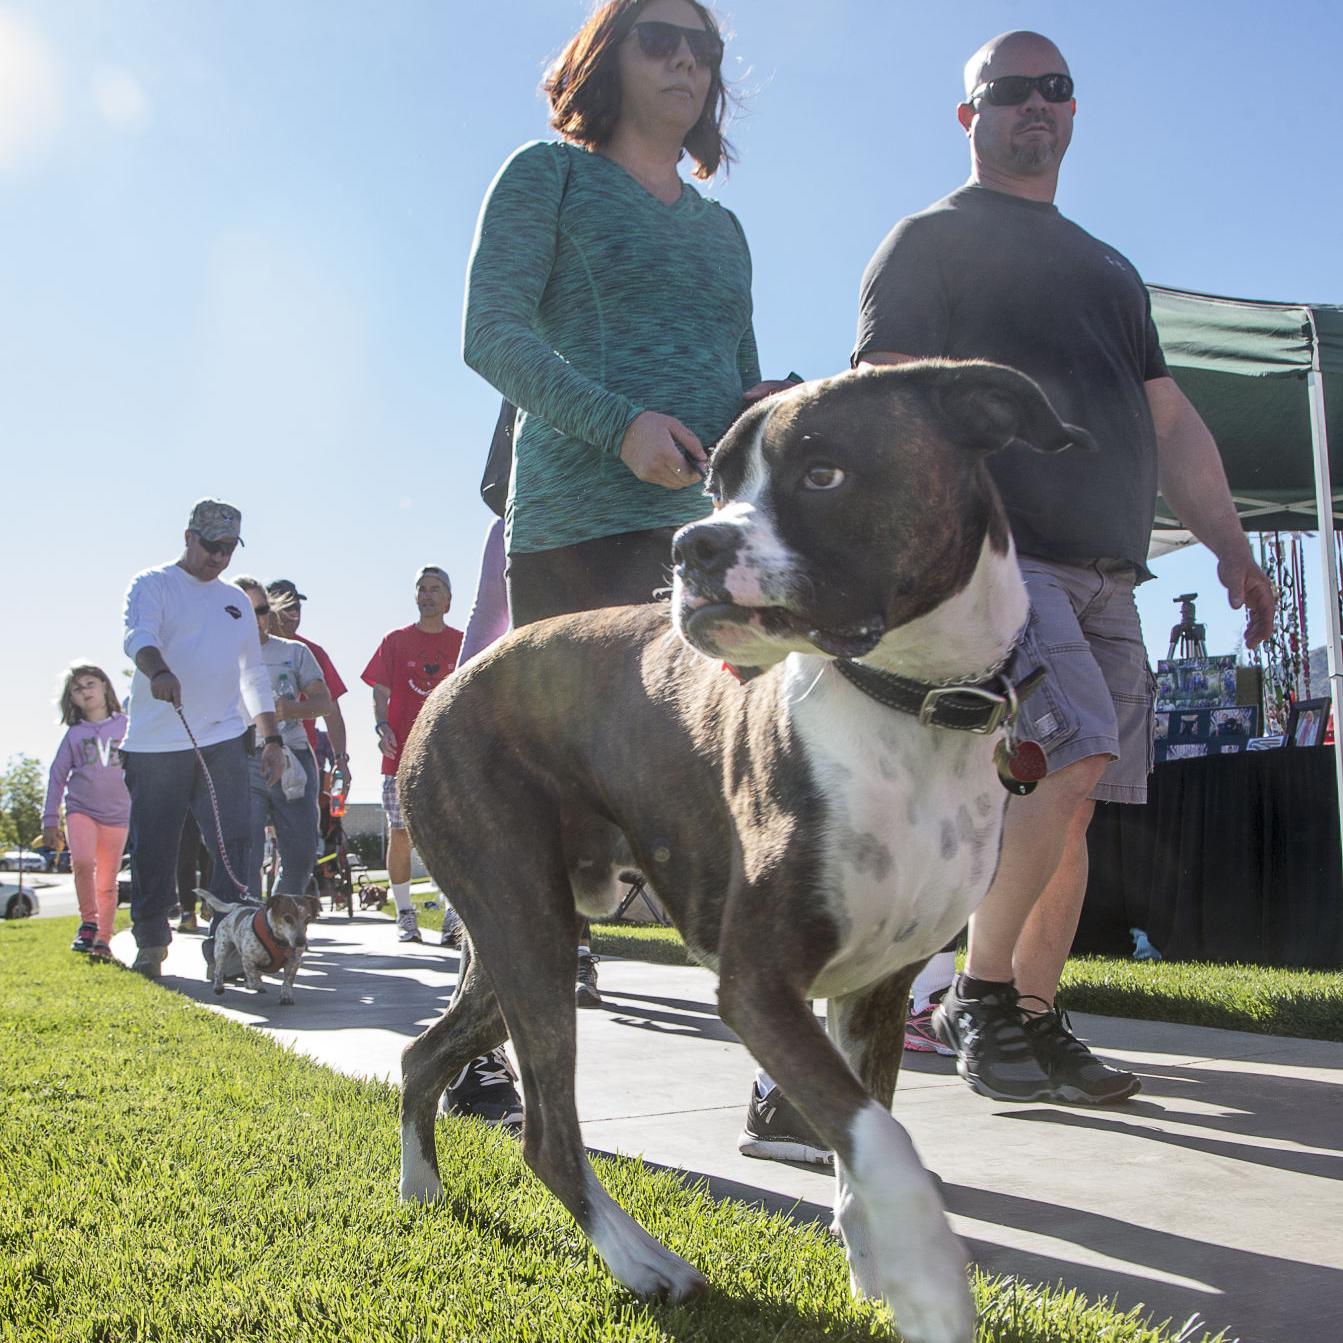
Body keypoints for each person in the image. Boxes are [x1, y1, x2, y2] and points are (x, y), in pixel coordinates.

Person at [849, 31, 1274, 1108]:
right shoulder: (926, 241)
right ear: (969, 118)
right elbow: (886, 401)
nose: (1034, 106)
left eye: (1055, 91)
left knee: (1072, 801)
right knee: (1068, 753)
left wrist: (1230, 548)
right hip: (1000, 561)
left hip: (1107, 574)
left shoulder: (1104, 268)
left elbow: (1168, 420)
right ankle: (976, 1002)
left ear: (1073, 113)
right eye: (1009, 92)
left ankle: (1032, 1023)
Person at [464, 0, 791, 1053]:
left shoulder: (727, 228)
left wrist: (764, 403)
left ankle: (779, 1074)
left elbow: (730, 376)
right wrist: (617, 428)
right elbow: (491, 335)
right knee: (552, 830)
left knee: (737, 800)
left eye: (705, 48)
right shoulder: (545, 176)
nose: (688, 61)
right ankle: (479, 1050)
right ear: (605, 58)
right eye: (661, 39)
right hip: (576, 531)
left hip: (701, 546)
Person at [119, 500, 284, 978]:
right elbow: (137, 636)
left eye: (229, 548)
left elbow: (252, 673)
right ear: (189, 537)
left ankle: (227, 944)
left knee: (235, 840)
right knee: (155, 845)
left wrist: (270, 739)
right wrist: (159, 671)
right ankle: (151, 944)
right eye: (211, 546)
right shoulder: (153, 584)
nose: (219, 557)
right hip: (155, 744)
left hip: (223, 739)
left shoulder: (233, 599)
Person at [361, 566, 463, 944]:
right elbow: (380, 691)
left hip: (448, 758)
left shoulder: (463, 642)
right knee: (401, 832)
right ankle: (406, 915)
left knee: (452, 834)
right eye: (422, 588)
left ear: (448, 600)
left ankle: (453, 915)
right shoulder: (395, 641)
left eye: (435, 589)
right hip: (400, 755)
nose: (427, 595)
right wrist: (381, 726)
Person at [234, 577, 330, 900]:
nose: (254, 619)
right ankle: (248, 924)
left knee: (302, 855)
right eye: (243, 611)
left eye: (260, 610)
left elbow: (323, 702)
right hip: (244, 759)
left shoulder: (294, 652)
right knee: (245, 851)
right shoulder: (219, 656)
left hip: (293, 759)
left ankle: (278, 911)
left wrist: (288, 709)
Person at [42, 663, 130, 962]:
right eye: (77, 689)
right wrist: (50, 821)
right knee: (82, 862)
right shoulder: (75, 735)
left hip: (118, 817)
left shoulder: (128, 727)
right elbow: (57, 776)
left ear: (105, 686)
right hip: (81, 810)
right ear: (72, 699)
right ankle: (88, 923)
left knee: (107, 881)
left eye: (90, 684)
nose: (85, 692)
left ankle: (103, 941)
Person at [265, 578, 352, 797]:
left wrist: (340, 759)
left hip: (301, 758)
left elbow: (332, 713)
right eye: (286, 608)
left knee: (302, 829)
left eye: (297, 607)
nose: (294, 614)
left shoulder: (311, 652)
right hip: (255, 757)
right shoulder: (248, 648)